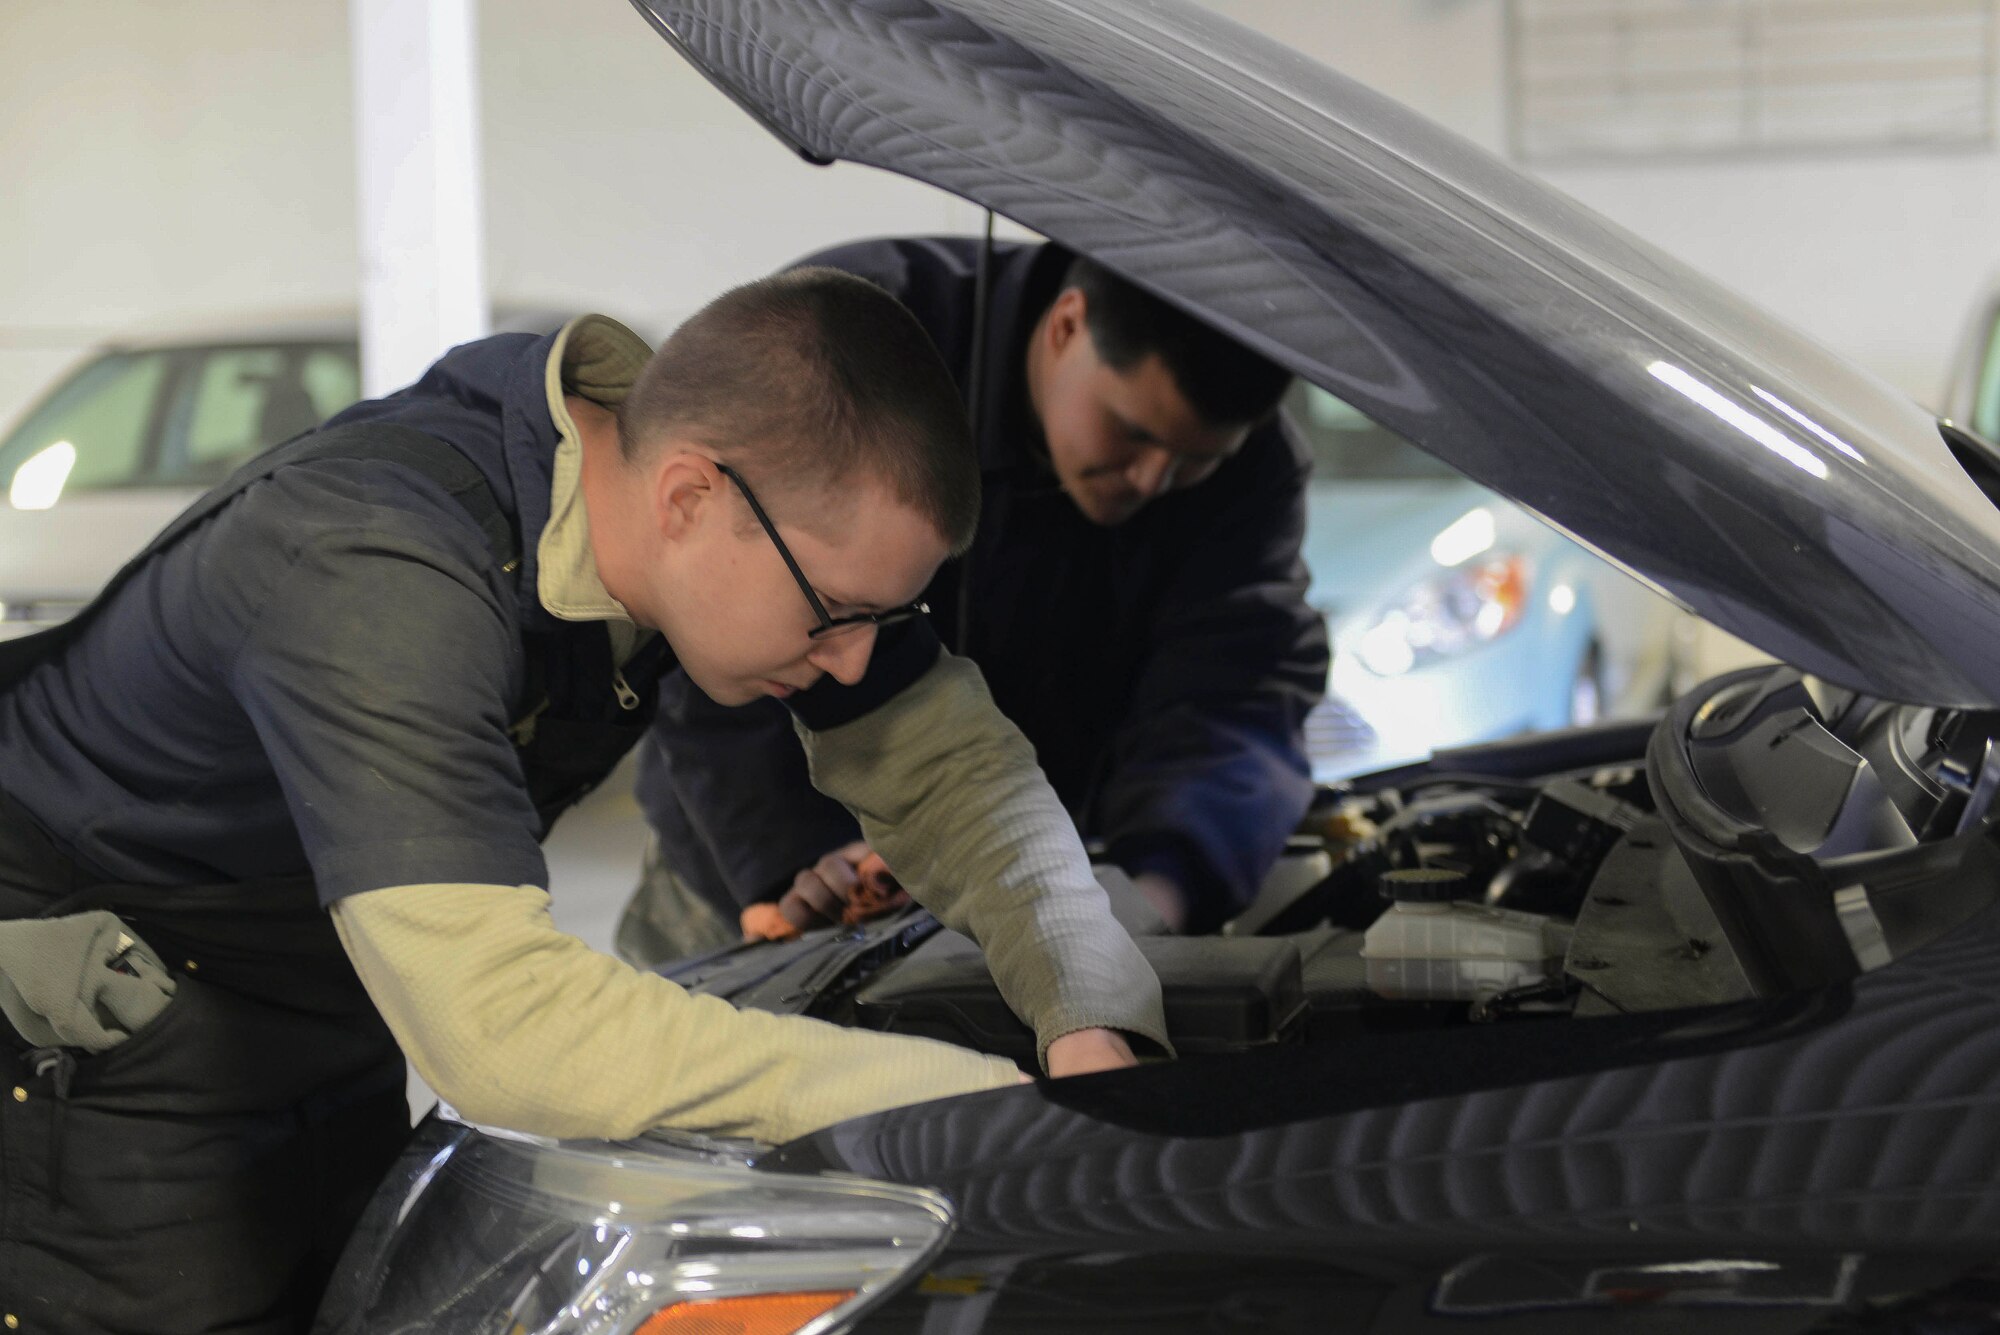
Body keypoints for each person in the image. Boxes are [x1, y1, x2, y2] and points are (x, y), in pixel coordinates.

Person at [0, 271, 1169, 1332]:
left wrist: (1083, 1013)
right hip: (102, 1037)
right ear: (686, 496)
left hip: (322, 987)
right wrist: (977, 1101)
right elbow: (510, 1033)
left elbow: (951, 770)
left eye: (883, 617)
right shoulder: (376, 570)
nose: (856, 661)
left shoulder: (655, 499)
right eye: (836, 612)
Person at [619, 238, 1327, 963]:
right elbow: (708, 617)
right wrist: (809, 868)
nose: (1151, 479)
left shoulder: (1254, 475)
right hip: (747, 863)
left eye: (1195, 459)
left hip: (1030, 891)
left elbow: (1234, 696)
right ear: (1066, 325)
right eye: (1132, 432)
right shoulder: (843, 346)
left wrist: (1153, 894)